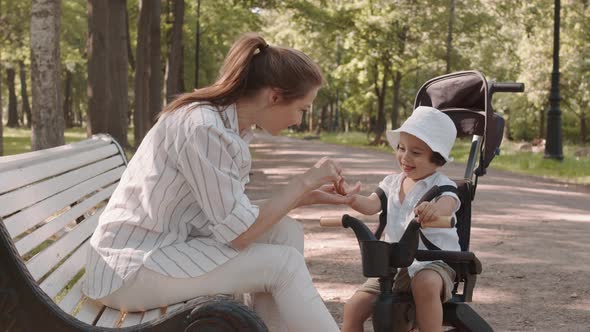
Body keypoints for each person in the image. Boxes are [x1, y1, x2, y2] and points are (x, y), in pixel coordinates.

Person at [82, 32, 359, 331]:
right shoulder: (204, 128)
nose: (299, 121)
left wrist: (307, 196)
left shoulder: (225, 126)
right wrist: (303, 183)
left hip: (157, 250)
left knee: (285, 233)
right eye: (301, 109)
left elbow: (232, 218)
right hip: (128, 268)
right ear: (274, 96)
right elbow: (239, 233)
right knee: (284, 266)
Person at [340, 106, 461, 332]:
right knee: (354, 307)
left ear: (437, 159)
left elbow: (449, 204)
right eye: (401, 148)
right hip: (393, 264)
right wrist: (352, 198)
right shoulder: (391, 182)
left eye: (415, 153)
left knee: (424, 284)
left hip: (432, 262)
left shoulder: (442, 185)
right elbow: (371, 205)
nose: (405, 157)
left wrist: (435, 210)